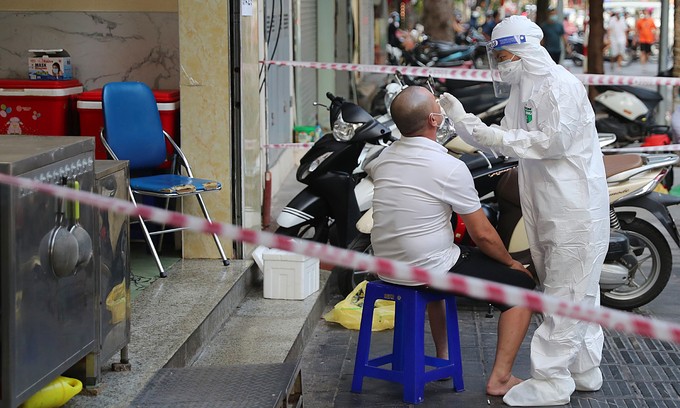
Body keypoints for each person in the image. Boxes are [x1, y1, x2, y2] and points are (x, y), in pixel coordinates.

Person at [439, 15, 609, 406]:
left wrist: (492, 134)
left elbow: (551, 142)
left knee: (566, 293)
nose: (500, 64)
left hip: (574, 209)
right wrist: (463, 121)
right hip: (546, 206)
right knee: (574, 292)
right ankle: (583, 369)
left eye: (504, 55)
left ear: (524, 51)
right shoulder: (524, 87)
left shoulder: (561, 86)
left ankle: (551, 382)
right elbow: (507, 141)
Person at [365, 85, 536, 397]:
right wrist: (512, 263)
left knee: (447, 255)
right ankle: (500, 378)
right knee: (521, 287)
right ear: (434, 119)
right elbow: (483, 234)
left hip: (387, 267)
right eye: (438, 109)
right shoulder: (449, 167)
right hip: (427, 268)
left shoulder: (382, 158)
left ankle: (443, 355)